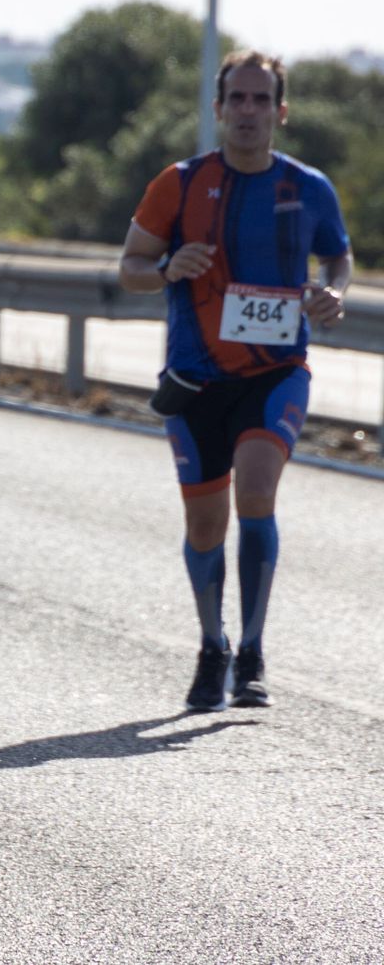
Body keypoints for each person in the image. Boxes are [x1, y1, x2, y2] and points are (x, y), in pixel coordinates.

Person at [119, 49, 351, 712]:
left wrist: (333, 292)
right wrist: (166, 268)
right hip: (195, 381)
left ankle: (251, 652)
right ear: (218, 109)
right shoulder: (180, 184)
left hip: (276, 373)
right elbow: (129, 266)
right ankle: (212, 643)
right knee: (203, 525)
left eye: (261, 100)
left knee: (256, 491)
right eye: (237, 100)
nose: (248, 111)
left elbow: (338, 256)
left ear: (281, 110)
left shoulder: (309, 187)